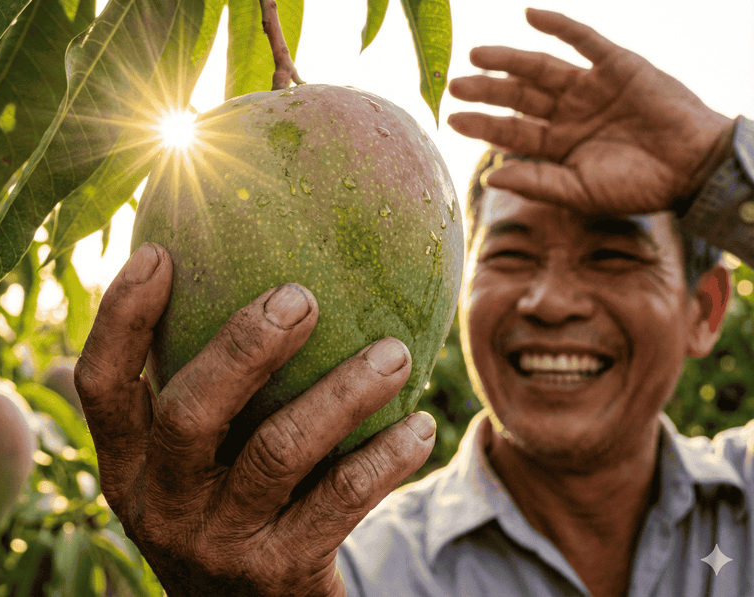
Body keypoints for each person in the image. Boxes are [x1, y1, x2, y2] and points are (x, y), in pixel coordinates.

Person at [73, 8, 754, 597]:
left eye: (612, 255)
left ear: (705, 307)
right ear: (456, 286)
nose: (548, 299)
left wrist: (724, 170)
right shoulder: (347, 570)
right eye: (511, 254)